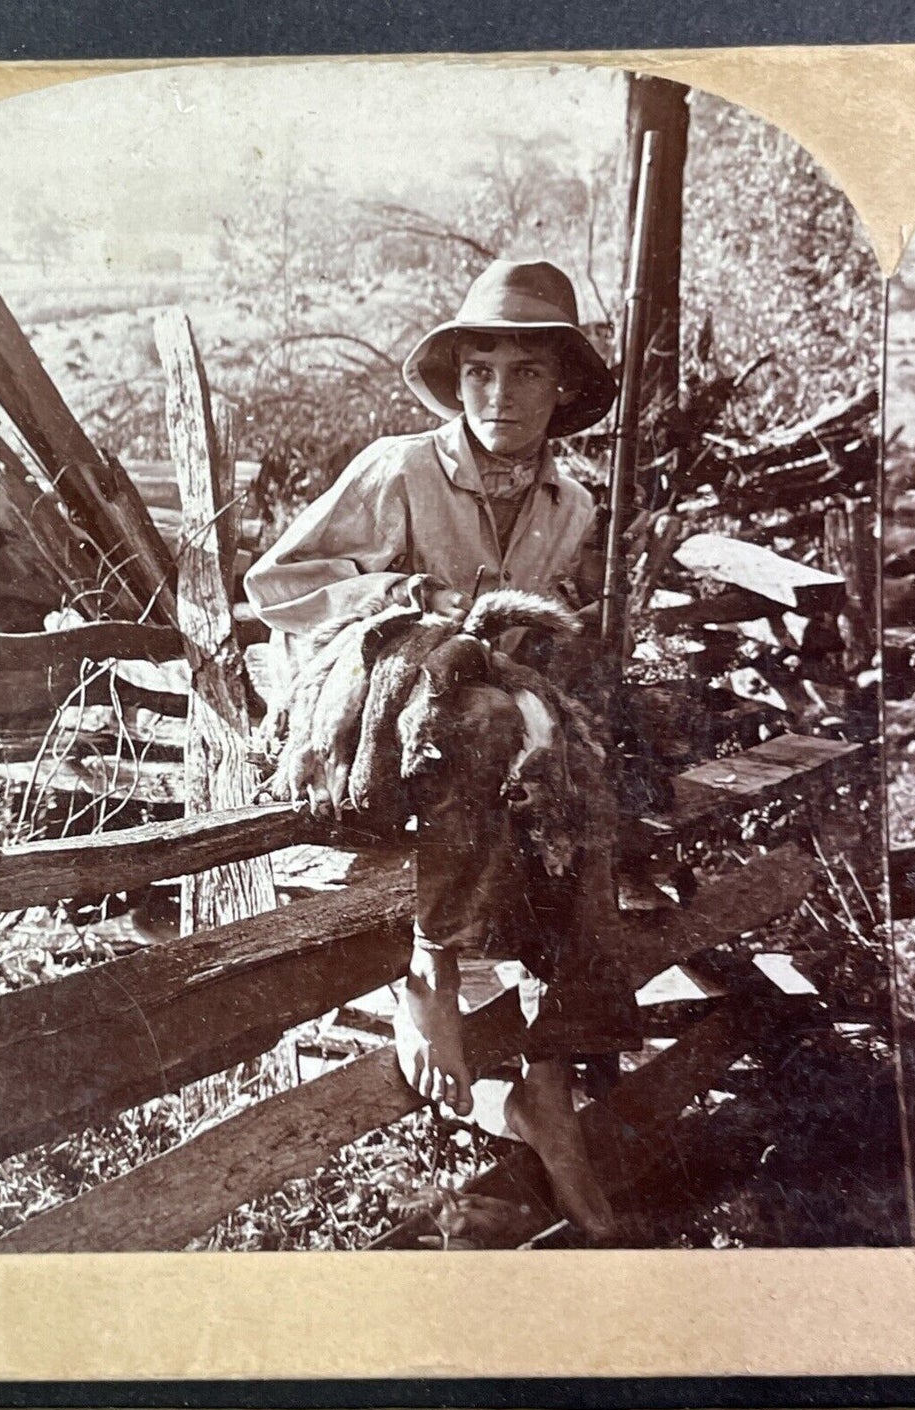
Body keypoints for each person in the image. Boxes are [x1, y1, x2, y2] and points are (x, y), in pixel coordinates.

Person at [243, 258, 635, 1242]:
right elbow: (276, 582)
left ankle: (548, 1078)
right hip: (358, 714)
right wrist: (404, 604)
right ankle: (430, 975)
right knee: (481, 718)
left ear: (561, 388)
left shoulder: (569, 504)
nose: (499, 393)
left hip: (468, 717)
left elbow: (527, 627)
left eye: (525, 373)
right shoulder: (399, 467)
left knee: (581, 763)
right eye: (480, 371)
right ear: (456, 381)